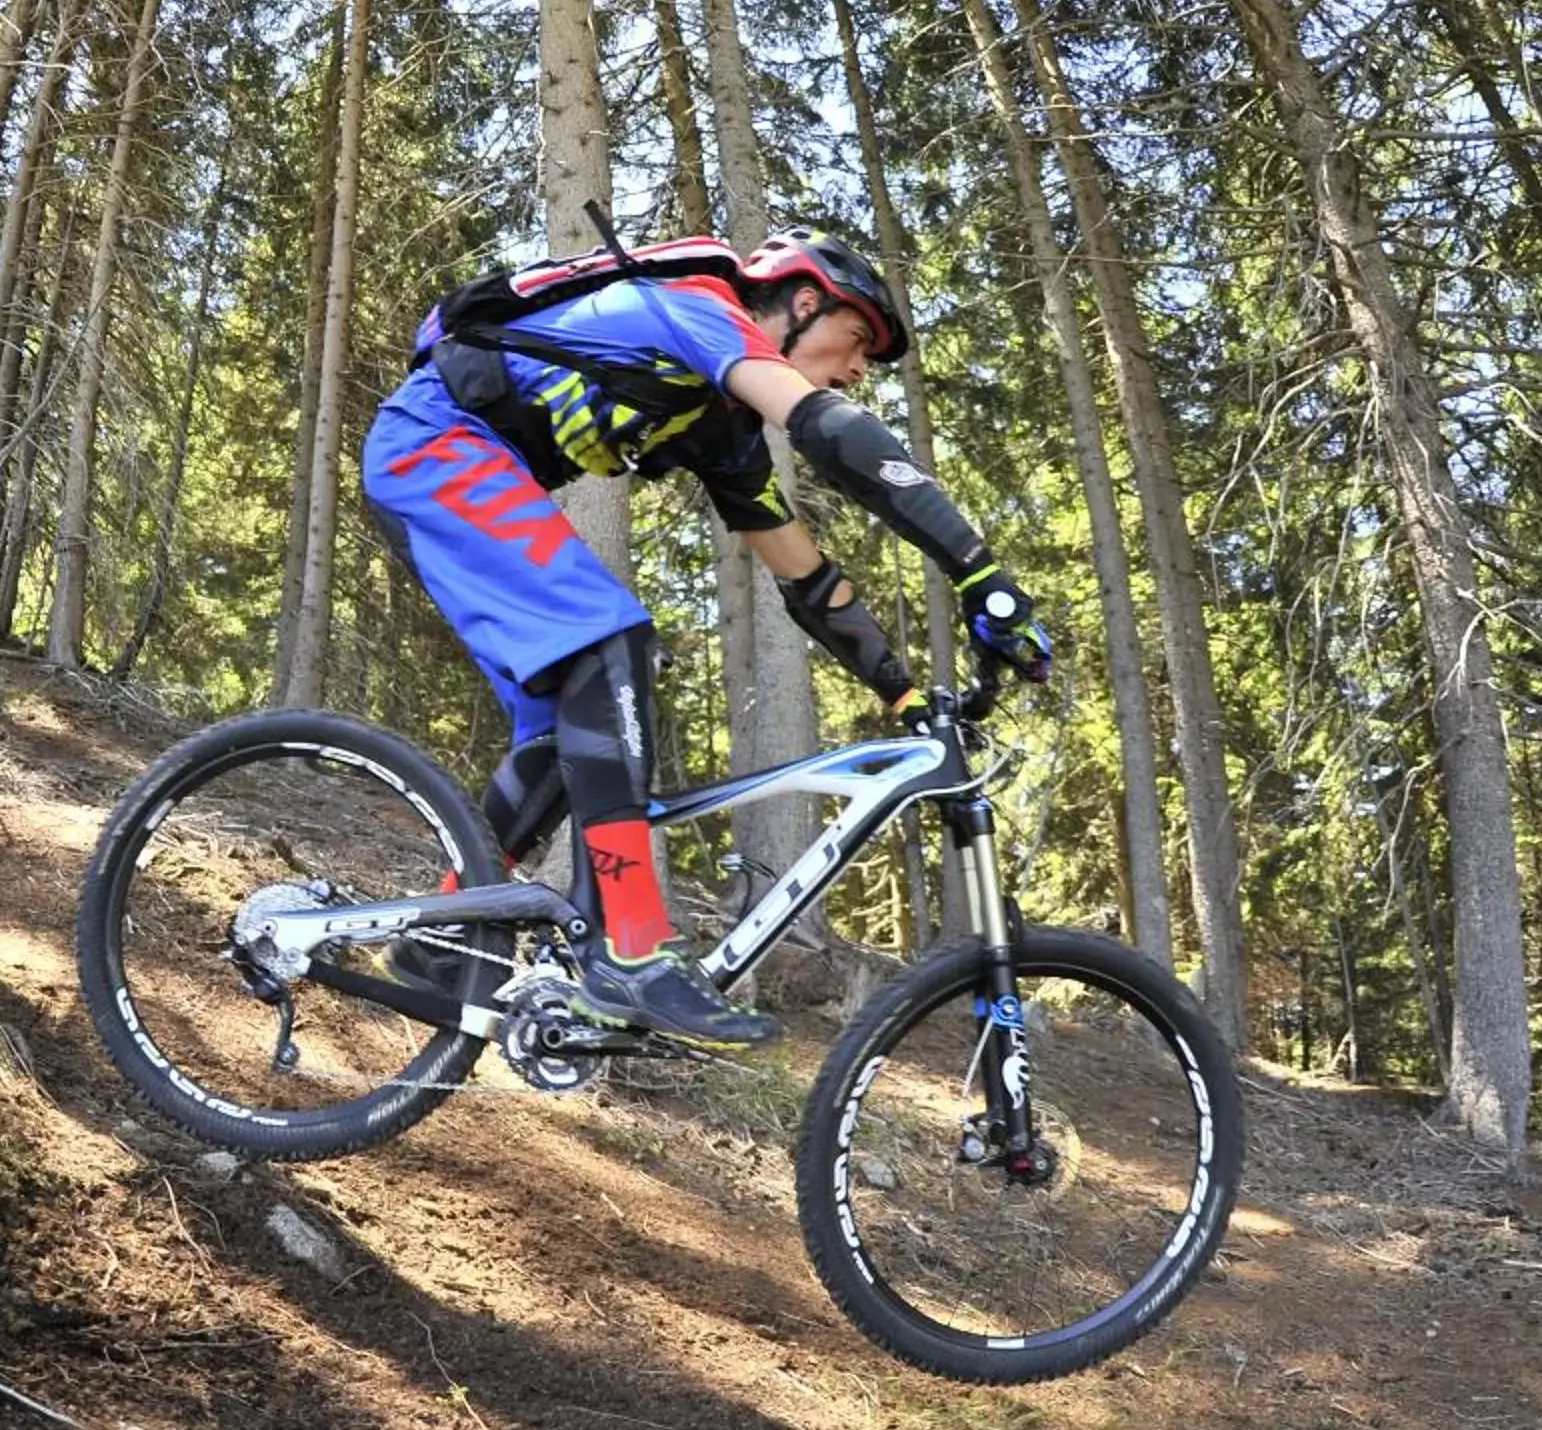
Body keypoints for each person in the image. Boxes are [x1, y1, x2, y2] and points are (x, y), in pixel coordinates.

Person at [360, 228, 1052, 1048]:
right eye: (857, 337)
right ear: (803, 304)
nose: (860, 365)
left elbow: (808, 581)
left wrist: (900, 692)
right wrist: (979, 573)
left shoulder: (722, 431)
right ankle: (634, 948)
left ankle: (442, 932)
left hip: (449, 464)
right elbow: (834, 431)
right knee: (609, 646)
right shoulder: (699, 310)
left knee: (563, 738)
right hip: (434, 445)